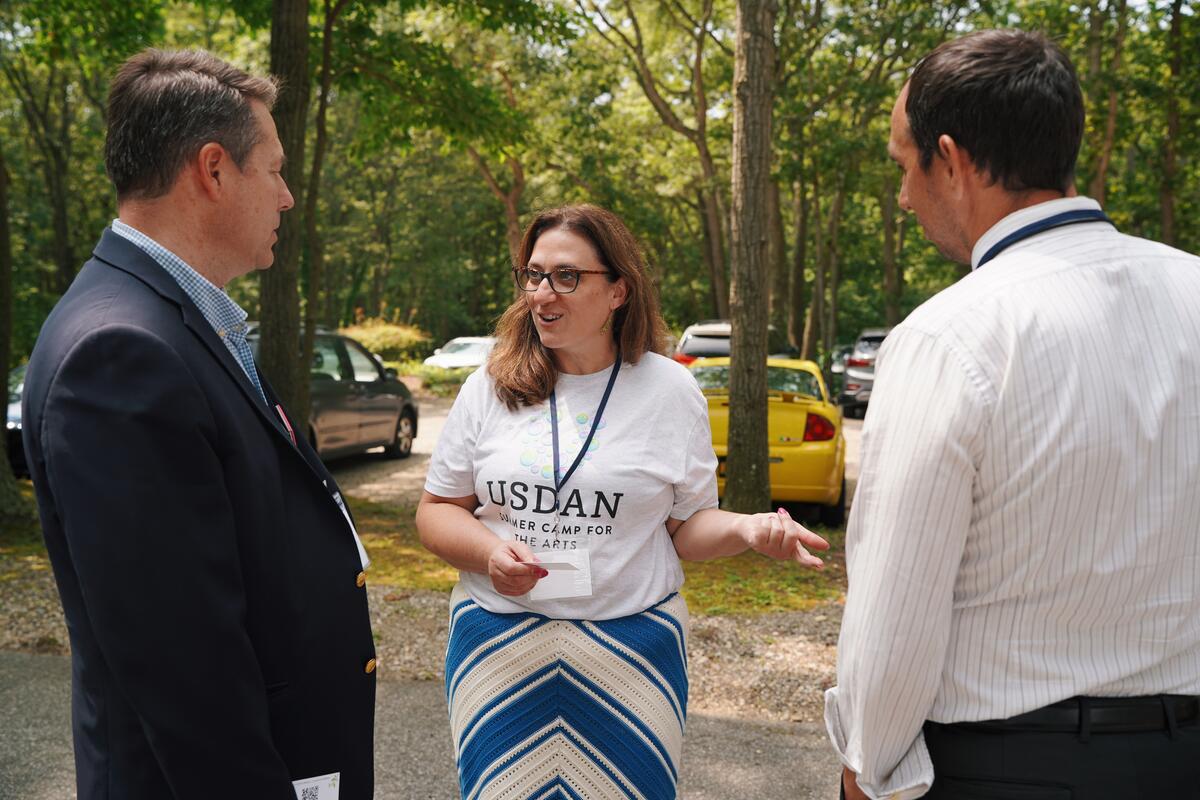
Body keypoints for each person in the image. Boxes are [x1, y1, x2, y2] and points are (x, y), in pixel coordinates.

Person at [825, 29, 1200, 800]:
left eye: (904, 165)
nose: (902, 195)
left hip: (1009, 766)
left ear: (952, 160)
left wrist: (866, 767)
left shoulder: (950, 336)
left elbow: (897, 612)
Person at [21, 49, 376, 799]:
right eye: (274, 170)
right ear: (213, 170)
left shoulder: (170, 320)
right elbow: (185, 671)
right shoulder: (122, 352)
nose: (285, 197)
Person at [417, 203, 829, 800]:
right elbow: (436, 511)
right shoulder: (491, 384)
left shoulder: (671, 389)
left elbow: (688, 527)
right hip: (500, 650)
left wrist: (747, 530)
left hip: (631, 657)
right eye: (533, 275)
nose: (541, 293)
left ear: (618, 291)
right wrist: (487, 553)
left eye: (566, 276)